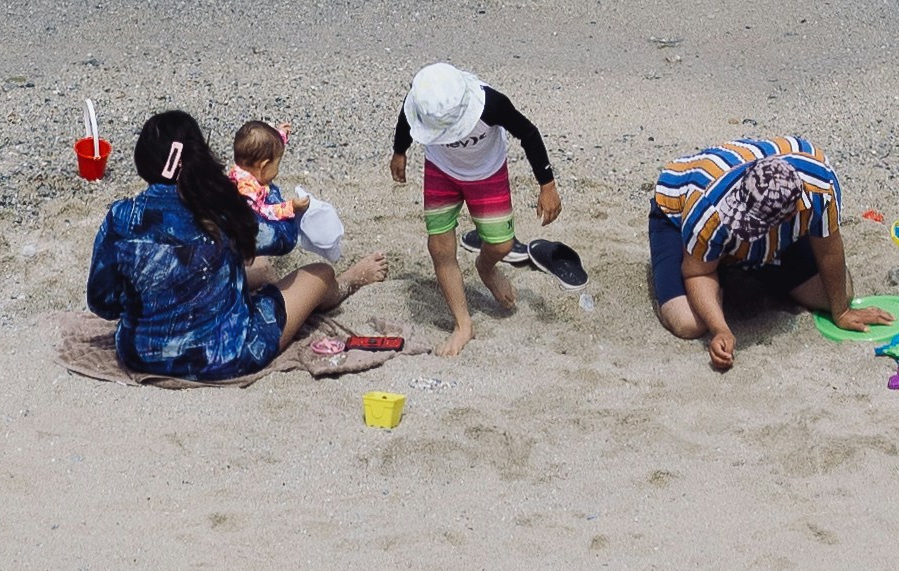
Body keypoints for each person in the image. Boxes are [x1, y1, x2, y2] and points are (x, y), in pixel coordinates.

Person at [88, 109, 385, 381]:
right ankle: (348, 282)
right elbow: (283, 239)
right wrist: (269, 190)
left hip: (139, 354)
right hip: (226, 355)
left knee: (258, 269)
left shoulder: (120, 217)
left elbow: (102, 302)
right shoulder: (221, 208)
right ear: (198, 156)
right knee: (319, 273)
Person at [649, 134, 890, 372]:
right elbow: (697, 273)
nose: (742, 229)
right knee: (688, 323)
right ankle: (739, 265)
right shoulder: (710, 206)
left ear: (790, 215)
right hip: (676, 210)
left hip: (777, 226)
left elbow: (828, 246)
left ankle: (752, 265)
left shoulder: (820, 185)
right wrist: (721, 329)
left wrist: (842, 311)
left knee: (839, 293)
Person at [389, 62, 561, 356]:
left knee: (502, 244)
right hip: (441, 171)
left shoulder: (490, 103)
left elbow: (528, 133)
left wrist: (547, 185)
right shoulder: (420, 101)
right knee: (440, 248)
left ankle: (485, 267)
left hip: (487, 172)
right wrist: (399, 152)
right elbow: (406, 120)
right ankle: (463, 323)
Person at [228, 118, 305, 258]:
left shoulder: (243, 166)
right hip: (253, 218)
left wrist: (281, 134)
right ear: (263, 166)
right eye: (276, 164)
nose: (277, 170)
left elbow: (268, 147)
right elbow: (265, 211)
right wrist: (291, 207)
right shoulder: (248, 192)